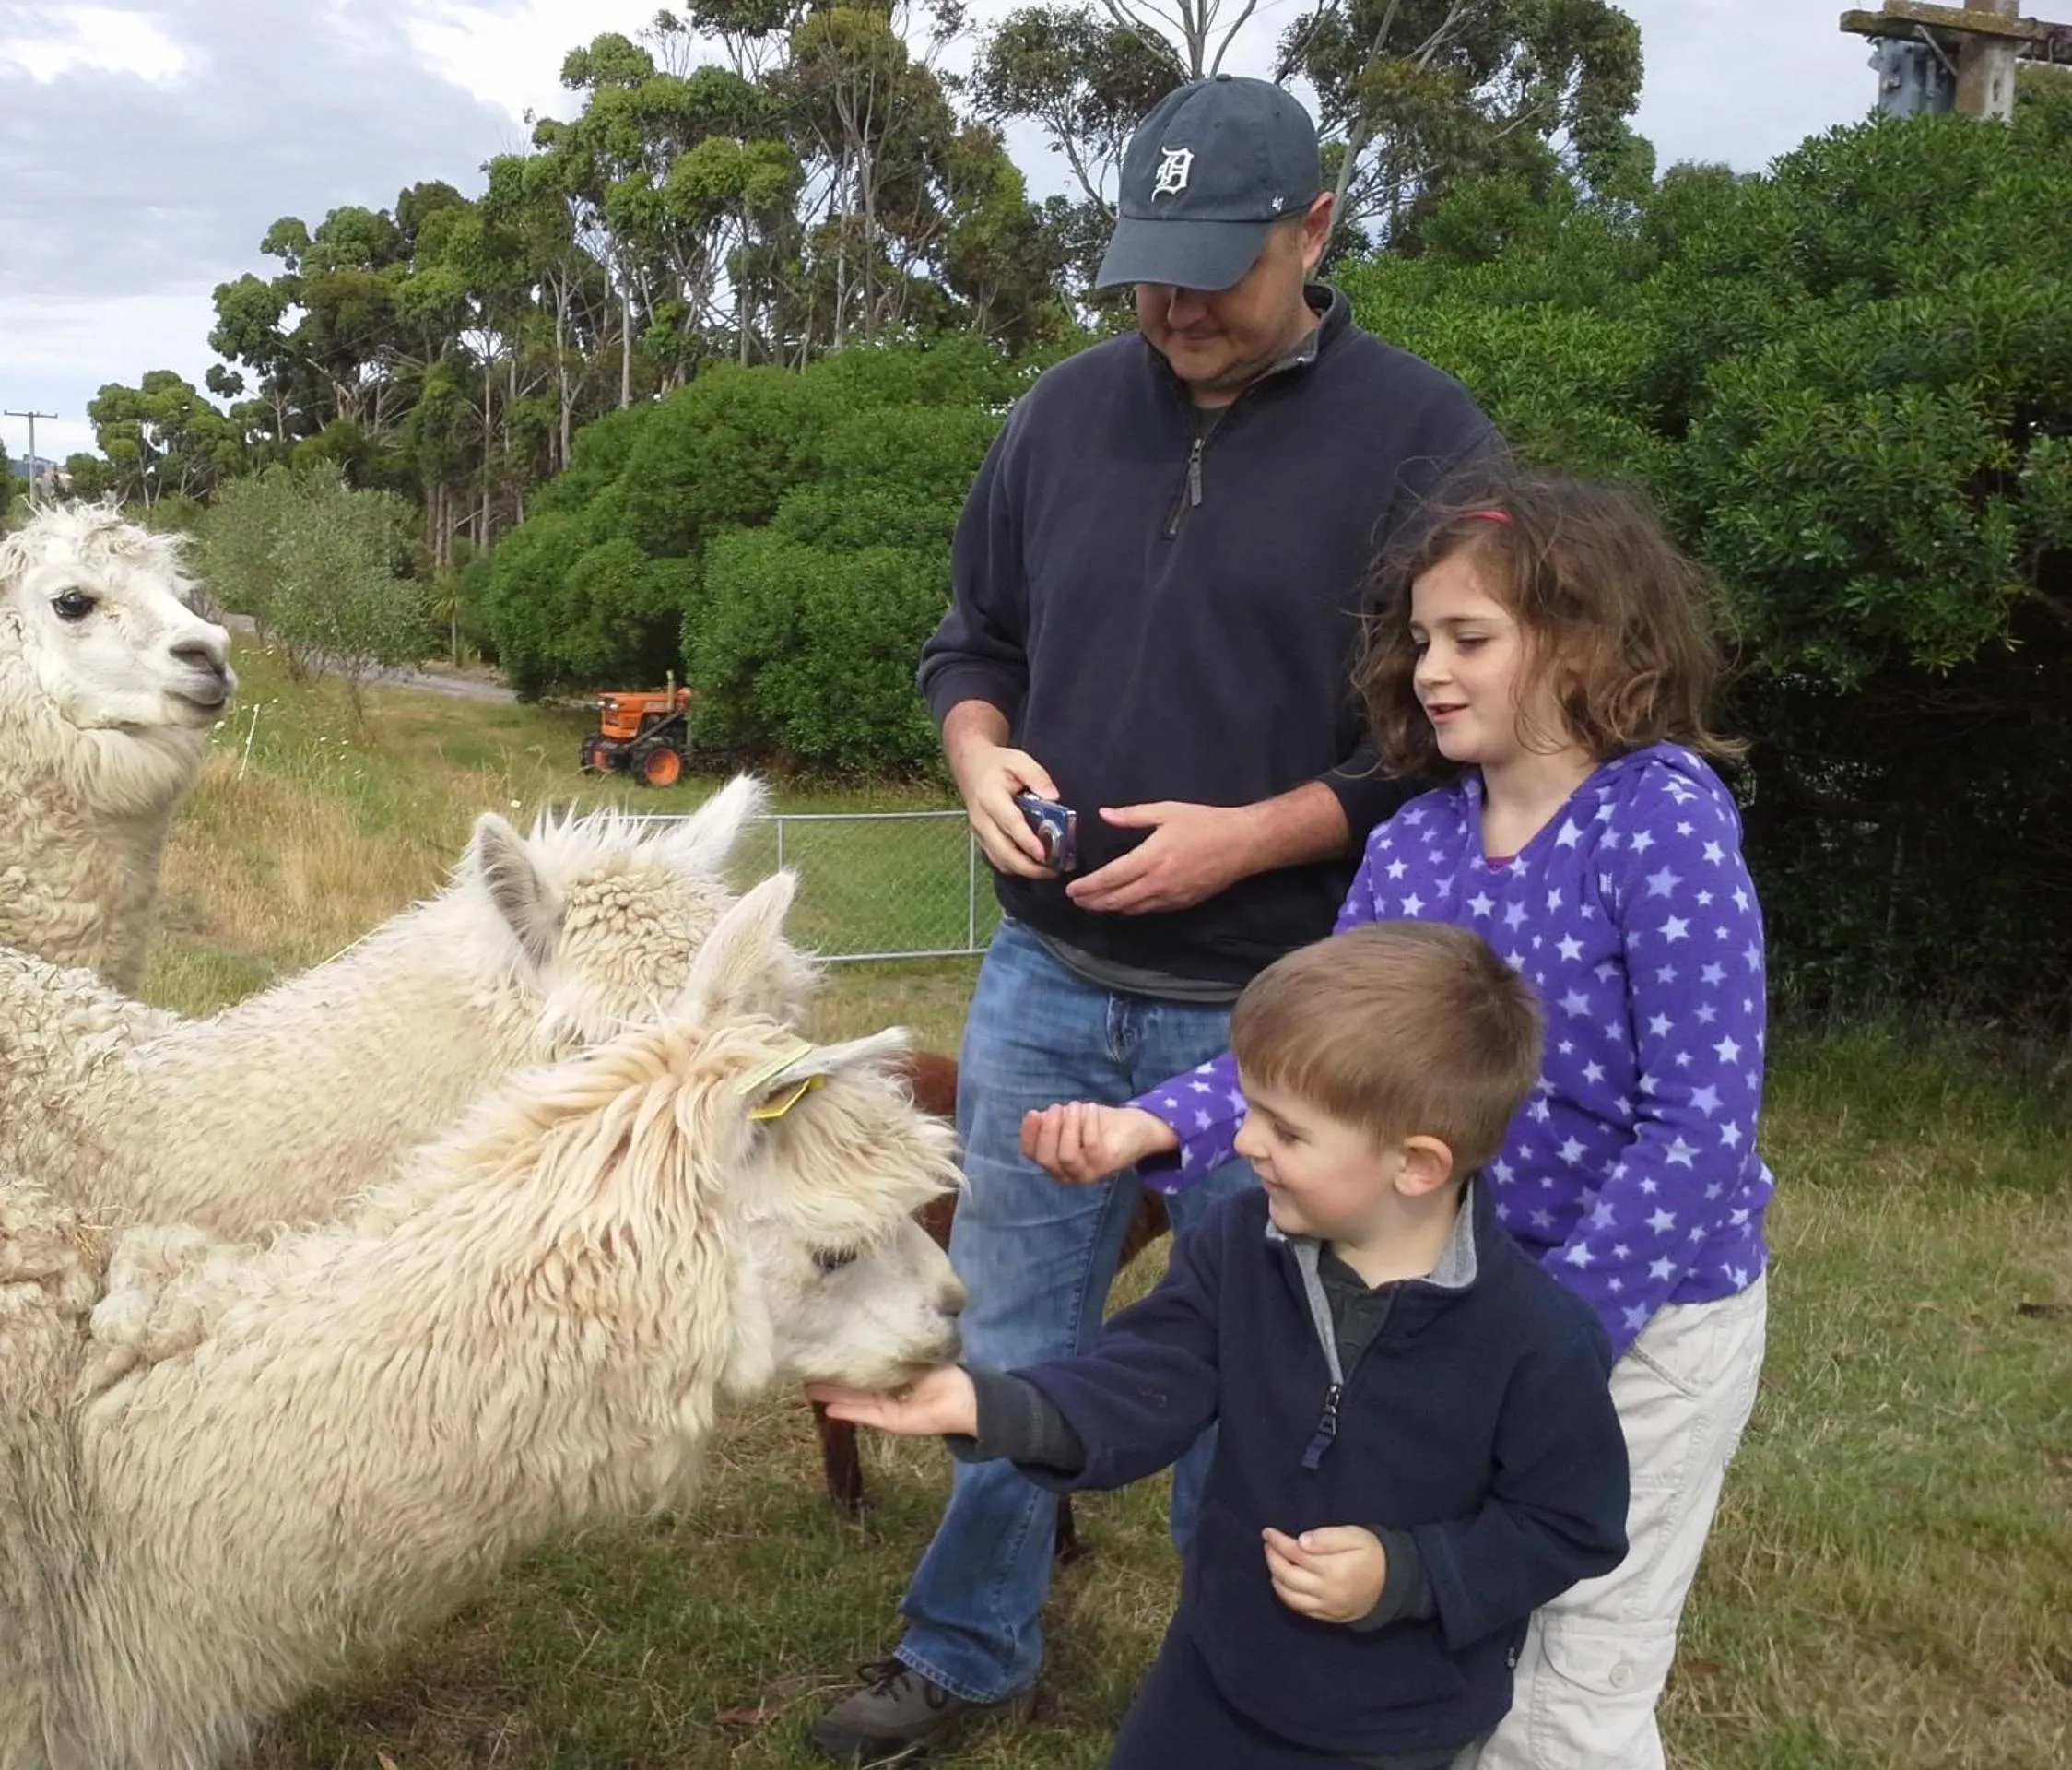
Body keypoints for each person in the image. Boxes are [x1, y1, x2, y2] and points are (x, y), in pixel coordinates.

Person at [807, 74, 1499, 1764]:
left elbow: (1450, 731)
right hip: (1045, 978)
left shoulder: (1428, 440)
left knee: (1255, 1363)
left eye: (1214, 266)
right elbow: (968, 642)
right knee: (1012, 1330)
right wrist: (976, 752)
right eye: (1146, 268)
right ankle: (967, 1645)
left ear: (1315, 229)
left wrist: (1257, 834)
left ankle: (1234, 1671)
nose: (1174, 305)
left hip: (1280, 1013)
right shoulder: (1054, 414)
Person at [1029, 472, 1772, 1770]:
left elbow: (1698, 1133)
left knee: (1566, 1694)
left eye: (1470, 639)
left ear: (1588, 643)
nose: (1430, 668)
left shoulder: (1662, 819)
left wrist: (1551, 1343)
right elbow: (1332, 1061)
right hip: (1453, 1304)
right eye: (1421, 639)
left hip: (1639, 1322)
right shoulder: (1418, 840)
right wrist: (1152, 1129)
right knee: (1440, 1649)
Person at [813, 922, 1631, 1770]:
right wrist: (987, 1404)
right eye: (1250, 1111)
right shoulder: (1240, 1248)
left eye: (1285, 1130)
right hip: (1211, 1676)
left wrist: (1408, 1573)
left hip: (1393, 1730)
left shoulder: (1538, 1341)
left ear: (1417, 1165)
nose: (1243, 1145)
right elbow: (1141, 1384)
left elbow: (1568, 1525)